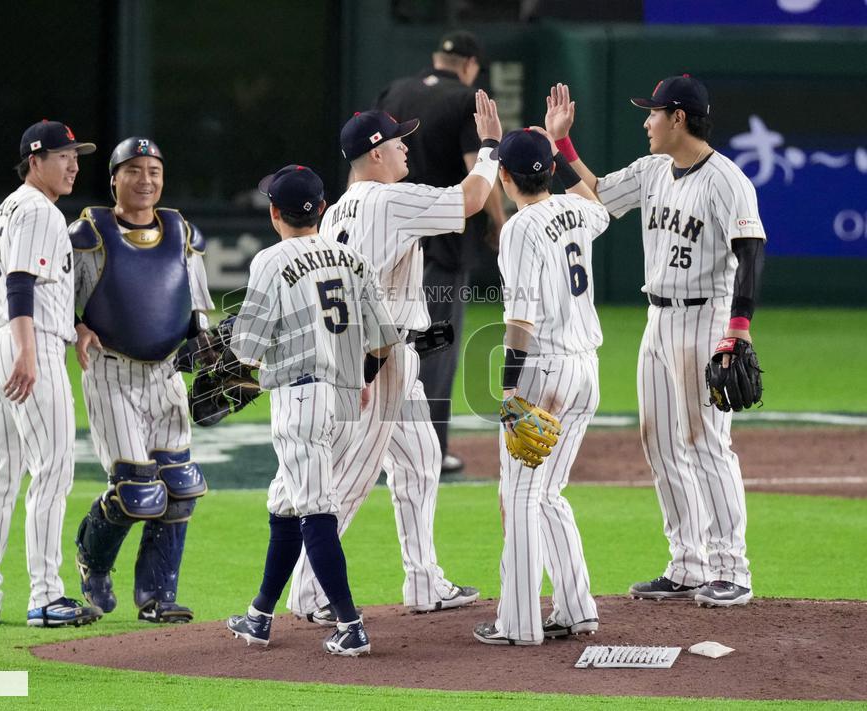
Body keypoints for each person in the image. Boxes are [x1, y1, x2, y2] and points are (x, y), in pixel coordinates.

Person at [546, 77, 765, 607]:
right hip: (658, 319)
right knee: (660, 441)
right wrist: (561, 145)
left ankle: (731, 568)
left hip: (705, 319)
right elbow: (596, 196)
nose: (646, 122)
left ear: (679, 118)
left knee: (706, 441)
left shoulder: (726, 180)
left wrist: (737, 330)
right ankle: (687, 564)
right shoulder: (651, 170)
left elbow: (751, 250)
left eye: (653, 114)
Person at [286, 91, 501, 622]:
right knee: (351, 479)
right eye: (400, 139)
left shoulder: (338, 208)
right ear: (376, 153)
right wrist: (491, 146)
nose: (409, 146)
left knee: (421, 462)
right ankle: (310, 594)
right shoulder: (388, 200)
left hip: (380, 351)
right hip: (371, 359)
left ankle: (424, 582)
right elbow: (472, 199)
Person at [225, 165, 401, 656]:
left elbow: (247, 350)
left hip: (301, 402)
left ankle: (350, 624)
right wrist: (362, 380)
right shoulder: (354, 259)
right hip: (347, 402)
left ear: (275, 213)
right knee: (286, 502)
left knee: (316, 510)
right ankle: (259, 615)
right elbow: (386, 342)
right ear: (321, 209)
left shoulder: (270, 261)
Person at [472, 127, 610, 645]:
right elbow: (596, 200)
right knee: (548, 492)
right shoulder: (576, 211)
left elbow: (521, 320)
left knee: (521, 496)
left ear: (503, 176)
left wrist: (509, 392)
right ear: (550, 171)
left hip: (544, 370)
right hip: (585, 371)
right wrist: (565, 145)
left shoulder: (520, 229)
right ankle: (577, 608)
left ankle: (519, 624)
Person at [69, 137, 215, 623]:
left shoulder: (181, 232)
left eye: (153, 170)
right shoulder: (89, 234)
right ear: (114, 178)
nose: (145, 180)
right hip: (112, 372)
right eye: (133, 170)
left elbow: (198, 306)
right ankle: (93, 558)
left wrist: (212, 356)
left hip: (167, 373)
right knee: (136, 491)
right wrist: (77, 326)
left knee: (180, 487)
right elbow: (57, 301)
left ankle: (157, 598)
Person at [0, 120, 103, 627]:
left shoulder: (8, 208)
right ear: (35, 160)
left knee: (0, 472)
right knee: (52, 468)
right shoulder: (41, 211)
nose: (73, 164)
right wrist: (26, 351)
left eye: (76, 156)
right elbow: (20, 282)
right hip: (30, 344)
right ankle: (46, 596)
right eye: (64, 155)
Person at [374, 30, 508, 473]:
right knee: (435, 343)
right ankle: (429, 448)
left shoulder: (395, 90)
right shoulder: (466, 98)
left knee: (384, 339)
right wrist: (498, 218)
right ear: (469, 64)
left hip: (387, 233)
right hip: (443, 239)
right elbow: (477, 169)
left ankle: (375, 441)